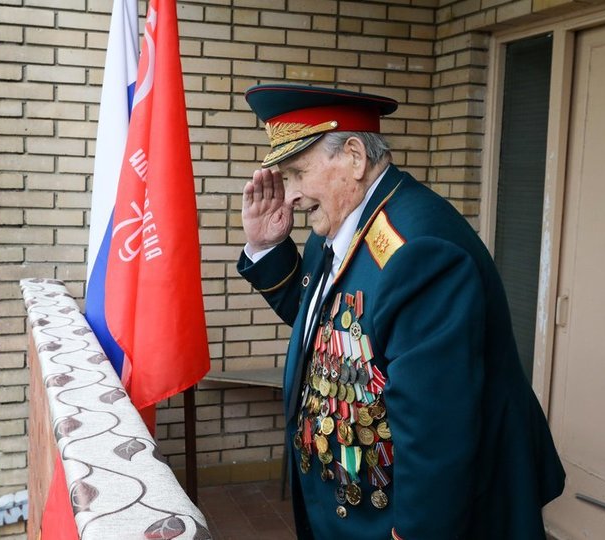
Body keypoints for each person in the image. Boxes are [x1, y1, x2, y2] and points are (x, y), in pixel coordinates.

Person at [236, 83, 565, 539]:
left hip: (405, 513)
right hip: (356, 496)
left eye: (296, 172)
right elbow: (334, 335)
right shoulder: (339, 219)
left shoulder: (419, 250)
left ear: (354, 156)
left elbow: (437, 432)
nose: (289, 195)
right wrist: (267, 246)